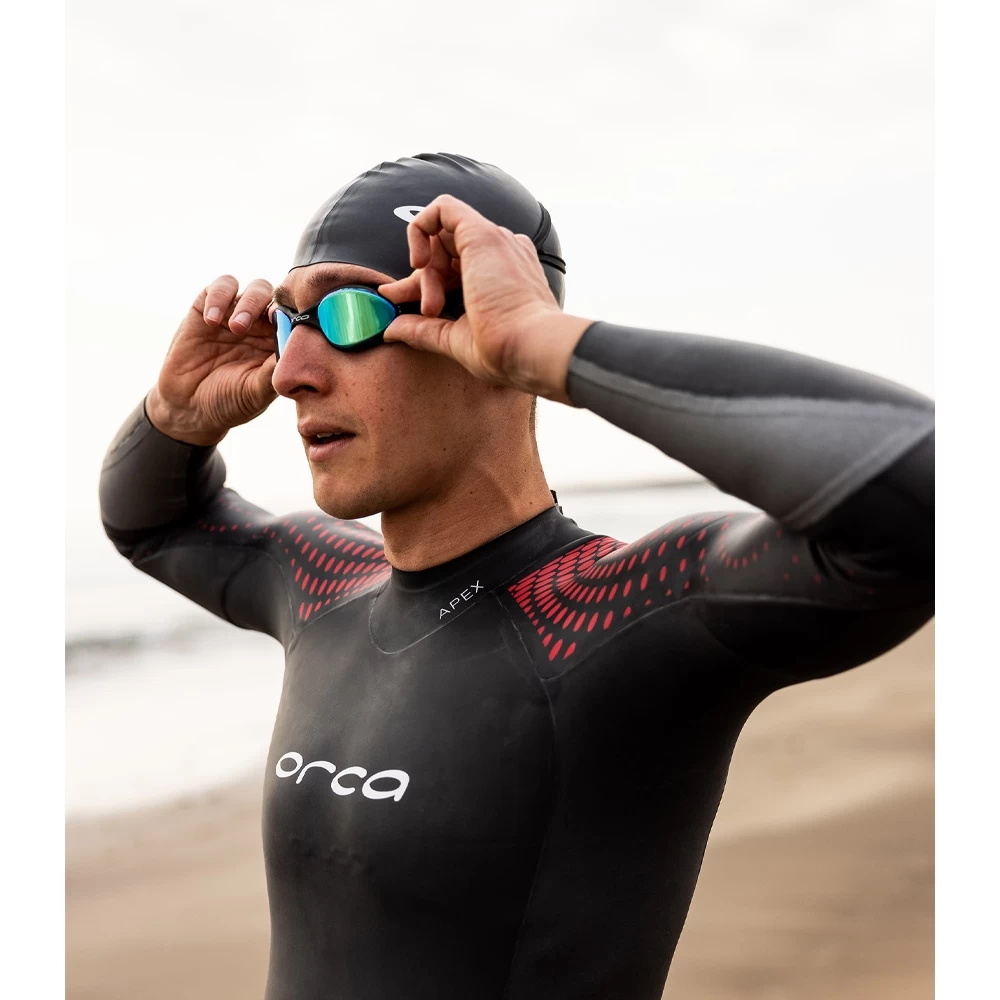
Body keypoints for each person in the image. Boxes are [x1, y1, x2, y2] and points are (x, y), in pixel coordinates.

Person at [99, 152, 934, 1000]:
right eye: (290, 324)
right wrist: (174, 415)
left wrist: (546, 342)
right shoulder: (323, 585)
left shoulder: (613, 616)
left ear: (481, 338)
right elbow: (151, 522)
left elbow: (926, 504)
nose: (290, 375)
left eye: (347, 314)